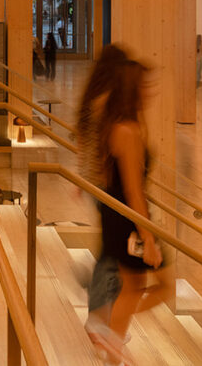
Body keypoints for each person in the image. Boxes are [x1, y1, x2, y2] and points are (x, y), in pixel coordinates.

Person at [93, 56, 167, 362]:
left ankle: (109, 335)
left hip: (117, 214)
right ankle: (110, 337)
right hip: (128, 217)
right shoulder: (129, 130)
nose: (150, 91)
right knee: (152, 286)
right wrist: (147, 238)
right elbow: (134, 190)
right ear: (132, 89)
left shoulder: (117, 123)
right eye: (145, 85)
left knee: (135, 285)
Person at [76, 44, 130, 350]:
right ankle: (100, 320)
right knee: (112, 257)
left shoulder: (93, 97)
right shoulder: (107, 103)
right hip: (108, 188)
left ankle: (103, 319)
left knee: (111, 253)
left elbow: (84, 142)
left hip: (97, 185)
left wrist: (82, 178)